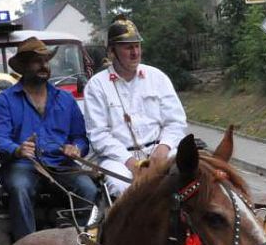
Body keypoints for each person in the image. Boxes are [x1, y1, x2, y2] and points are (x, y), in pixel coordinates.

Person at [0, 37, 99, 241]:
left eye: (46, 61)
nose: (44, 66)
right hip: (22, 165)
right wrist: (17, 149)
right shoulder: (5, 100)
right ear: (22, 66)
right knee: (20, 188)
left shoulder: (65, 98)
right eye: (37, 61)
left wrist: (75, 148)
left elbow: (80, 137)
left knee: (89, 189)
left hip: (61, 164)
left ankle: (80, 242)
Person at [79, 17, 188, 197]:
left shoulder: (157, 77)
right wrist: (129, 162)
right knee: (122, 187)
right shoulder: (96, 85)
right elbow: (98, 135)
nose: (135, 52)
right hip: (119, 159)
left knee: (189, 176)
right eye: (128, 47)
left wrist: (164, 147)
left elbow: (176, 122)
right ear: (112, 51)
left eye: (137, 46)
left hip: (160, 151)